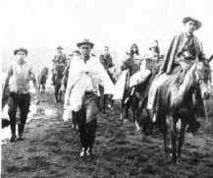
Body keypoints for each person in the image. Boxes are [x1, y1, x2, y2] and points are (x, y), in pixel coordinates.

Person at [147, 17, 203, 133]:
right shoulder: (178, 36)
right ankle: (158, 111)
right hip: (176, 66)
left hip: (191, 68)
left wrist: (203, 61)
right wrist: (180, 62)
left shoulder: (197, 40)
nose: (192, 27)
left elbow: (201, 54)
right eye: (190, 24)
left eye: (194, 25)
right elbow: (172, 53)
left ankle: (193, 119)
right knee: (160, 84)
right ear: (186, 25)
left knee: (199, 87)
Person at [62, 39, 114, 156]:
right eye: (83, 48)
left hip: (91, 96)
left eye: (87, 48)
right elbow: (70, 81)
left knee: (90, 123)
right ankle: (84, 147)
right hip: (78, 96)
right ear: (80, 49)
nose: (85, 50)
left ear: (91, 49)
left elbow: (103, 76)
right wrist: (67, 100)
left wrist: (110, 90)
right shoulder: (75, 62)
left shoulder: (95, 62)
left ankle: (90, 147)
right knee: (81, 125)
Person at [3, 48, 41, 142]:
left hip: (25, 94)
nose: (21, 55)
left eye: (23, 54)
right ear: (16, 55)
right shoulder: (12, 65)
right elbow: (7, 79)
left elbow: (34, 80)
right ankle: (12, 134)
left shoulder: (29, 66)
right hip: (14, 93)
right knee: (11, 113)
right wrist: (3, 92)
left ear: (26, 55)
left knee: (23, 115)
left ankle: (20, 134)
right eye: (19, 54)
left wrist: (37, 94)